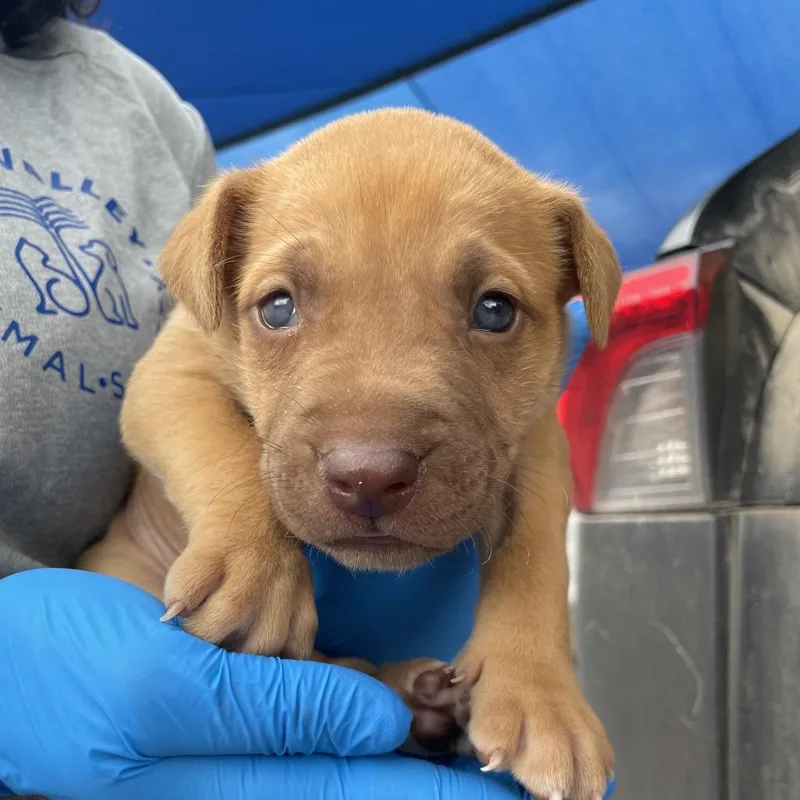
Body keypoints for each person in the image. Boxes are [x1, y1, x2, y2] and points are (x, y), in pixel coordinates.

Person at [0, 3, 599, 798]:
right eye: (279, 306)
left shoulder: (136, 106)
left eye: (493, 310)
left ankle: (369, 697)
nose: (371, 458)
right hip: (121, 615)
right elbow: (168, 383)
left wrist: (530, 648)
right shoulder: (232, 239)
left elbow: (539, 444)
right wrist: (246, 526)